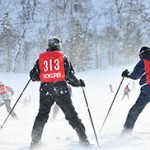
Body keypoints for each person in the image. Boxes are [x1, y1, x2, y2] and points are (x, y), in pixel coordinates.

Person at [29, 37, 90, 149]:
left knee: (42, 116)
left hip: (45, 90)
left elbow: (33, 76)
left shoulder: (41, 59)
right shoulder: (63, 58)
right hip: (60, 90)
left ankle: (35, 143)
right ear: (59, 46)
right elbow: (69, 76)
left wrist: (42, 75)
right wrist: (79, 84)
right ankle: (84, 140)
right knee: (71, 115)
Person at [121, 46, 150, 134]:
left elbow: (135, 75)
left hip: (148, 89)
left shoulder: (144, 58)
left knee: (136, 109)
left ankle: (127, 131)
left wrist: (127, 74)